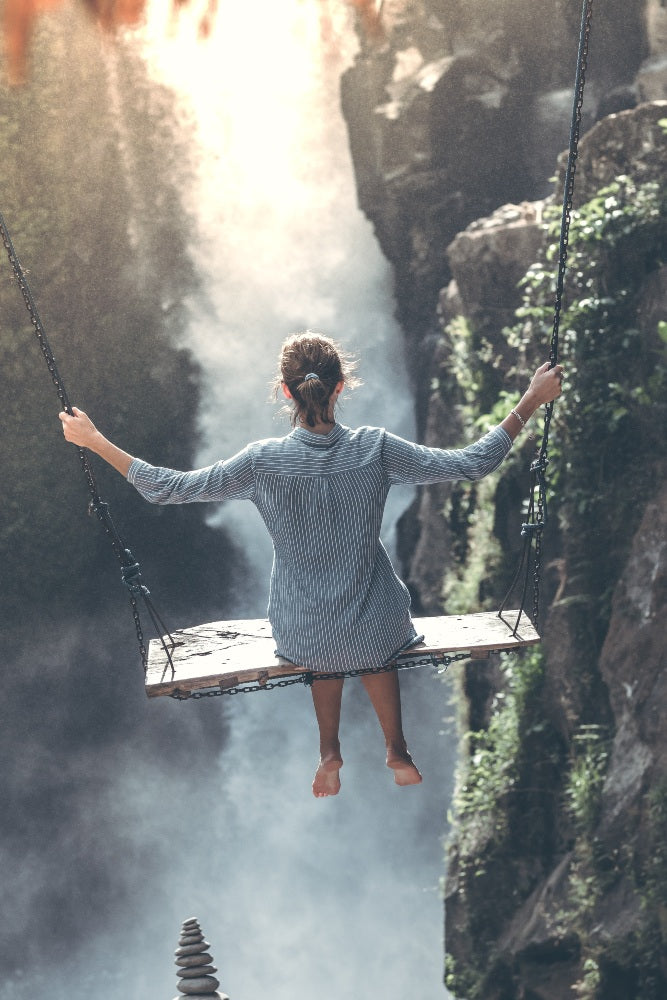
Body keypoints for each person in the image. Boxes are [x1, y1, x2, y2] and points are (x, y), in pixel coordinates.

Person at [59, 332, 564, 798]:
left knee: (323, 635)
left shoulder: (261, 461)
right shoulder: (376, 449)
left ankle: (329, 751)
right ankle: (397, 748)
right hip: (376, 625)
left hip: (305, 631)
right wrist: (530, 402)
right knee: (374, 629)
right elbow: (473, 462)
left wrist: (95, 441)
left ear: (285, 392)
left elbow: (168, 487)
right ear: (341, 386)